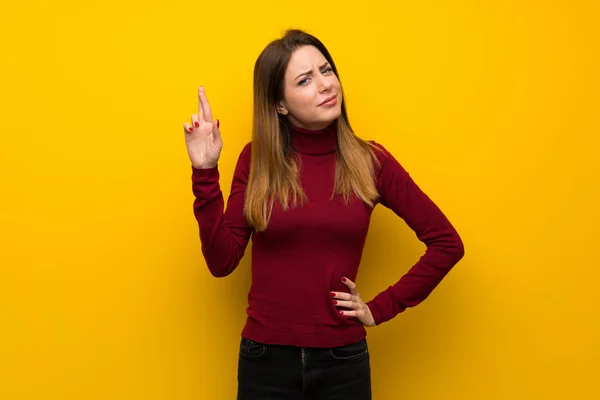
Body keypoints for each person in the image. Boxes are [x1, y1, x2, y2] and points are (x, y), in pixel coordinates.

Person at [182, 29, 464, 400]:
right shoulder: (257, 162)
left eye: (326, 70)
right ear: (279, 104)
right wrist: (205, 173)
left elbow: (447, 243)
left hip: (342, 362)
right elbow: (222, 261)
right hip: (264, 359)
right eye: (305, 80)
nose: (325, 85)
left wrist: (379, 309)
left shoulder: (370, 161)